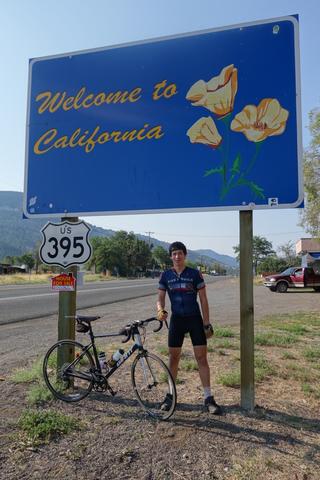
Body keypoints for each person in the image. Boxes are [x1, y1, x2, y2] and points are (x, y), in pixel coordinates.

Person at [156, 241, 222, 414]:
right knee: (173, 358)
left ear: (185, 255)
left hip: (194, 319)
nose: (177, 256)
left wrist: (206, 323)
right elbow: (160, 298)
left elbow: (204, 300)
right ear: (171, 257)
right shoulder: (165, 276)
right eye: (174, 253)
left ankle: (208, 398)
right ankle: (170, 395)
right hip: (177, 320)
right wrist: (160, 310)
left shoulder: (195, 274)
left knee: (201, 358)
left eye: (180, 253)